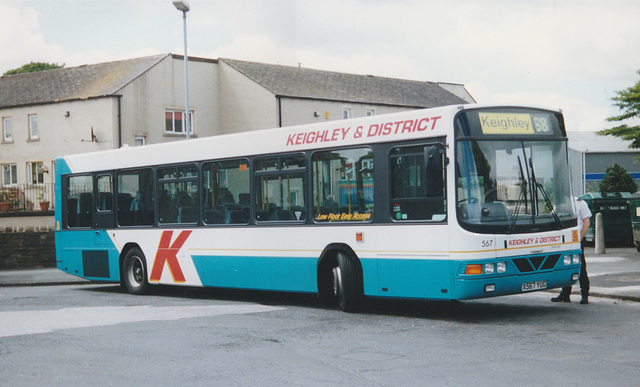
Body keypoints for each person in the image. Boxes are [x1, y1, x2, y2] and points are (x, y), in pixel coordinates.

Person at [552, 197, 592, 304]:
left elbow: (586, 222)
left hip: (575, 240)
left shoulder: (580, 203)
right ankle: (565, 294)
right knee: (565, 266)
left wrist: (580, 238)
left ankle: (584, 294)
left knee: (580, 266)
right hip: (564, 240)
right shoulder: (559, 204)